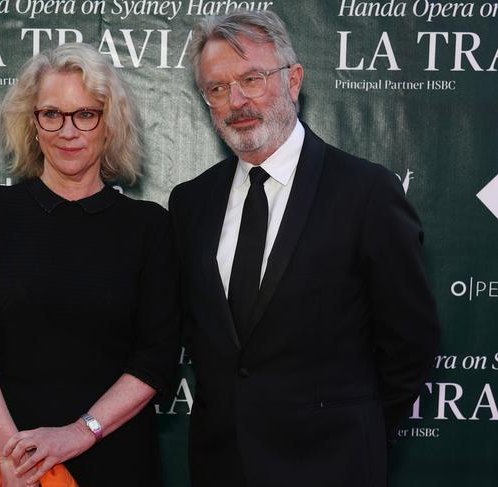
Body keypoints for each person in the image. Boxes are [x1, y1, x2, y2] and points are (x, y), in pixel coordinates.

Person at [168, 10, 440, 487]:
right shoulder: (191, 202)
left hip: (335, 465)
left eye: (252, 78)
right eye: (217, 88)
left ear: (293, 80)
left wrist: (355, 434)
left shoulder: (367, 193)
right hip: (221, 467)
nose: (237, 101)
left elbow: (409, 341)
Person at [0, 43, 179, 487]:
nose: (67, 131)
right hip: (2, 461)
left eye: (85, 114)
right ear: (32, 123)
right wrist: (16, 456)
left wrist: (77, 435)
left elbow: (156, 359)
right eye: (51, 114)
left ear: (108, 124)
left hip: (114, 459)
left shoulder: (149, 226)